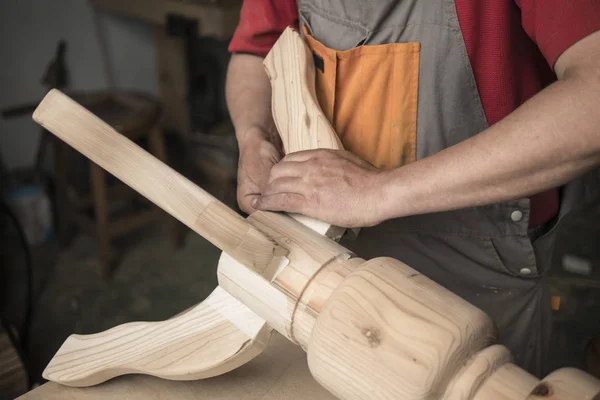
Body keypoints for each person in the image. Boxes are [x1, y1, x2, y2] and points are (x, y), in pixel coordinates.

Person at [225, 0, 600, 376]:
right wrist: (255, 137)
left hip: (479, 261)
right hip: (322, 248)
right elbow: (258, 49)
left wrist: (379, 191)